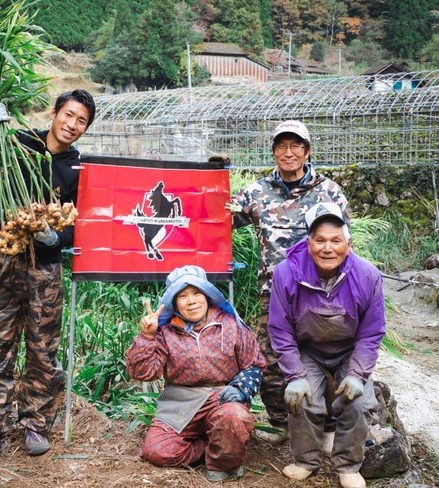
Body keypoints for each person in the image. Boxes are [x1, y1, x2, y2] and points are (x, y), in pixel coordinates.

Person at [0, 90, 96, 456]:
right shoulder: (19, 142)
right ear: (54, 113)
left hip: (45, 267)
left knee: (42, 350)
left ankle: (35, 426)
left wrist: (57, 237)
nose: (72, 125)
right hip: (4, 256)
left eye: (81, 121)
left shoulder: (80, 169)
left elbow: (81, 224)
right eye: (68, 115)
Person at [227, 120, 350, 445]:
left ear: (307, 151)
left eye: (296, 146)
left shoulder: (329, 191)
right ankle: (282, 423)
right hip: (274, 296)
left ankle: (327, 427)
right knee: (268, 359)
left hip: (321, 295)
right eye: (282, 146)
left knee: (326, 358)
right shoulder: (257, 191)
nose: (288, 152)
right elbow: (222, 218)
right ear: (274, 152)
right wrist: (214, 180)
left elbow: (343, 242)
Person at [269, 202, 385, 488]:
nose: (327, 248)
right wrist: (295, 376)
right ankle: (306, 460)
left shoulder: (368, 275)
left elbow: (371, 333)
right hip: (309, 349)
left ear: (349, 243)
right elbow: (280, 330)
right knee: (302, 399)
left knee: (357, 402)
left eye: (336, 240)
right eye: (320, 240)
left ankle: (347, 464)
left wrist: (358, 375)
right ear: (308, 243)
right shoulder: (286, 273)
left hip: (349, 350)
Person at [126, 265, 266, 482]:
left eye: (197, 293)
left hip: (221, 397)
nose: (191, 301)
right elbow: (144, 373)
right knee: (157, 451)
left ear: (208, 296)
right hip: (179, 403)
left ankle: (222, 461)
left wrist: (240, 390)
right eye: (183, 296)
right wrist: (147, 336)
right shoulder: (165, 333)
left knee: (234, 418)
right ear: (174, 303)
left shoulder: (231, 326)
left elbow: (254, 365)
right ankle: (211, 445)